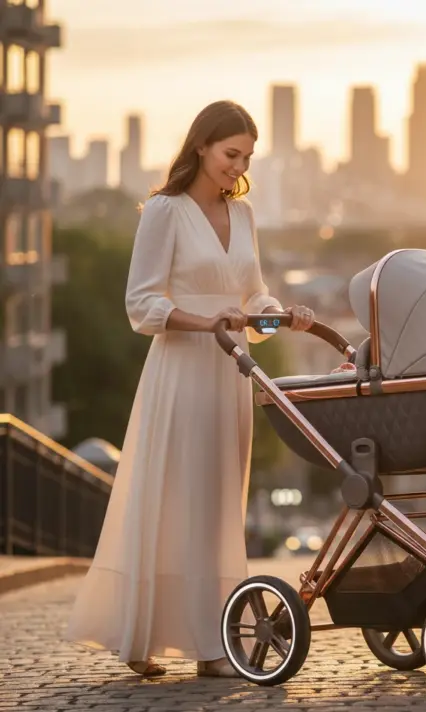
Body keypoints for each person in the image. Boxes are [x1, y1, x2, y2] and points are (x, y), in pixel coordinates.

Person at [65, 100, 315, 678]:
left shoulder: (243, 214)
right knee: (176, 499)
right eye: (231, 154)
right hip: (181, 371)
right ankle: (150, 634)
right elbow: (141, 304)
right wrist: (205, 323)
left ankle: (212, 640)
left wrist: (283, 314)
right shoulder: (164, 210)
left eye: (246, 158)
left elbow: (254, 296)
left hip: (231, 373)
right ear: (201, 146)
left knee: (219, 504)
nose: (238, 167)